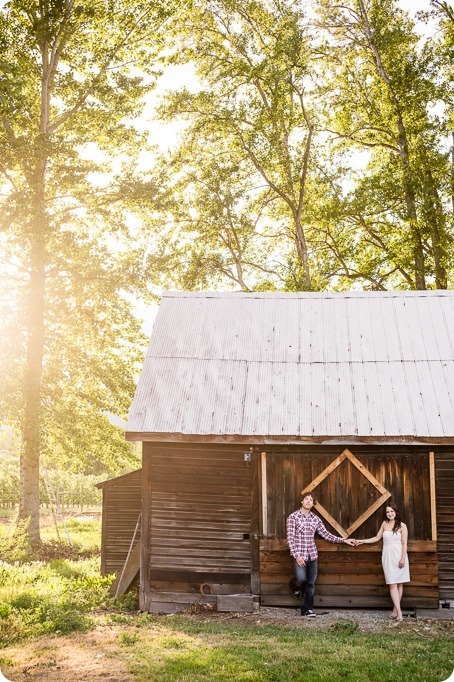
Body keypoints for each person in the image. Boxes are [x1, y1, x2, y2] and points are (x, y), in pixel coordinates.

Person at [286, 492, 356, 617]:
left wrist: (344, 540)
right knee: (301, 579)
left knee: (311, 583)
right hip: (300, 555)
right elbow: (290, 538)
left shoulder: (315, 519)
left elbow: (326, 534)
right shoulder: (293, 517)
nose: (308, 501)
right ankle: (293, 586)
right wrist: (296, 555)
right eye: (306, 499)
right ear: (302, 502)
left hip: (312, 555)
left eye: (311, 500)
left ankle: (307, 610)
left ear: (313, 504)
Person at [355, 503, 410, 621]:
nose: (390, 514)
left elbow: (404, 543)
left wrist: (403, 558)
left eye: (392, 512)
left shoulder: (402, 525)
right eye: (388, 512)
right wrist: (362, 541)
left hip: (399, 555)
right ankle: (399, 611)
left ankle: (397, 611)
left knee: (400, 583)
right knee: (392, 583)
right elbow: (376, 538)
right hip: (387, 556)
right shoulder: (384, 524)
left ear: (396, 512)